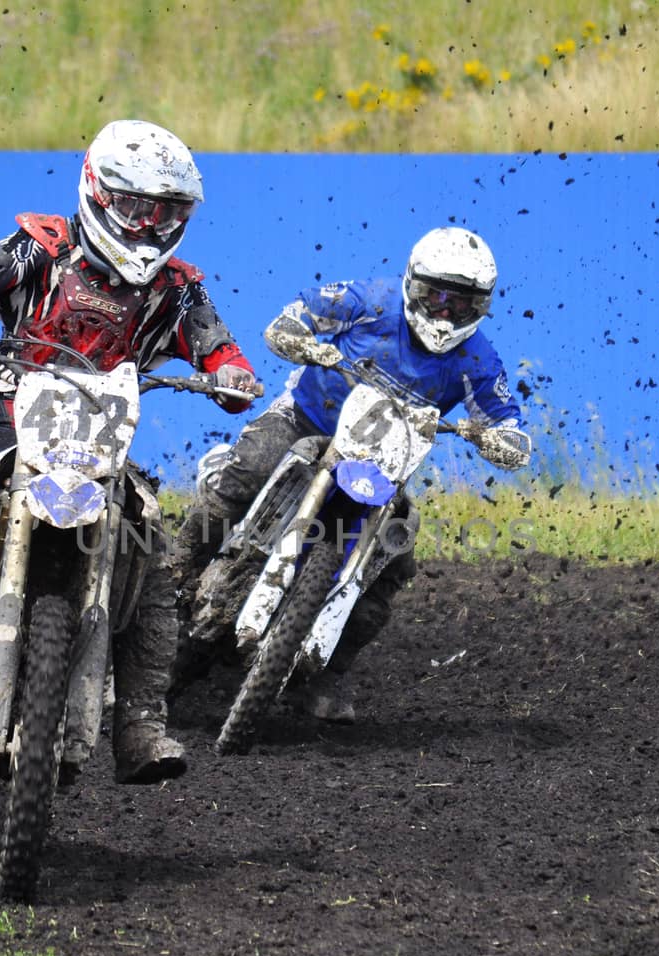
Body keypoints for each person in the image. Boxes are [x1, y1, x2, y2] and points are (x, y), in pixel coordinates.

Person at [0, 119, 259, 784]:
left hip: (103, 442)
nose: (149, 227)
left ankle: (142, 722)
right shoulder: (41, 247)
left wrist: (230, 373)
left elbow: (216, 345)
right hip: (11, 412)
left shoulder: (175, 287)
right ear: (97, 190)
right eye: (137, 208)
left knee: (154, 564)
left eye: (166, 214)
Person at [169, 226, 530, 724]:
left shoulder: (478, 360)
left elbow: (507, 420)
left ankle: (330, 673)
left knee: (393, 567)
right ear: (412, 284)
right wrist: (297, 336)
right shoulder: (371, 302)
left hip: (383, 465)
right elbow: (298, 313)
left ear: (482, 307)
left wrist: (501, 440)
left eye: (461, 305)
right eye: (436, 297)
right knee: (244, 474)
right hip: (307, 420)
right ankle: (174, 573)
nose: (445, 313)